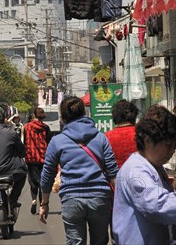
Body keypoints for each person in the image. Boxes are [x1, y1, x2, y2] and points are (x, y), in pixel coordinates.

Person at [113, 105, 176, 245]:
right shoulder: (136, 171)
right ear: (147, 141)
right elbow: (157, 206)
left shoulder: (154, 167)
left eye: (174, 145)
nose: (171, 151)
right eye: (168, 145)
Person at [40, 96, 118, 245]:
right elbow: (113, 173)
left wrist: (44, 203)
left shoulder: (57, 141)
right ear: (84, 113)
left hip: (71, 200)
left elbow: (47, 175)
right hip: (100, 199)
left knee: (75, 242)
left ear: (63, 117)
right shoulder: (101, 138)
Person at [24, 107, 51, 214]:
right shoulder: (45, 128)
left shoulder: (27, 127)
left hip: (31, 158)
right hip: (43, 158)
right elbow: (49, 143)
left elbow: (24, 142)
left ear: (34, 115)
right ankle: (41, 203)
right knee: (42, 181)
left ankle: (34, 200)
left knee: (32, 181)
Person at [105, 99, 138, 167]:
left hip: (114, 177)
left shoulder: (105, 138)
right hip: (141, 176)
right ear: (134, 116)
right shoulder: (143, 134)